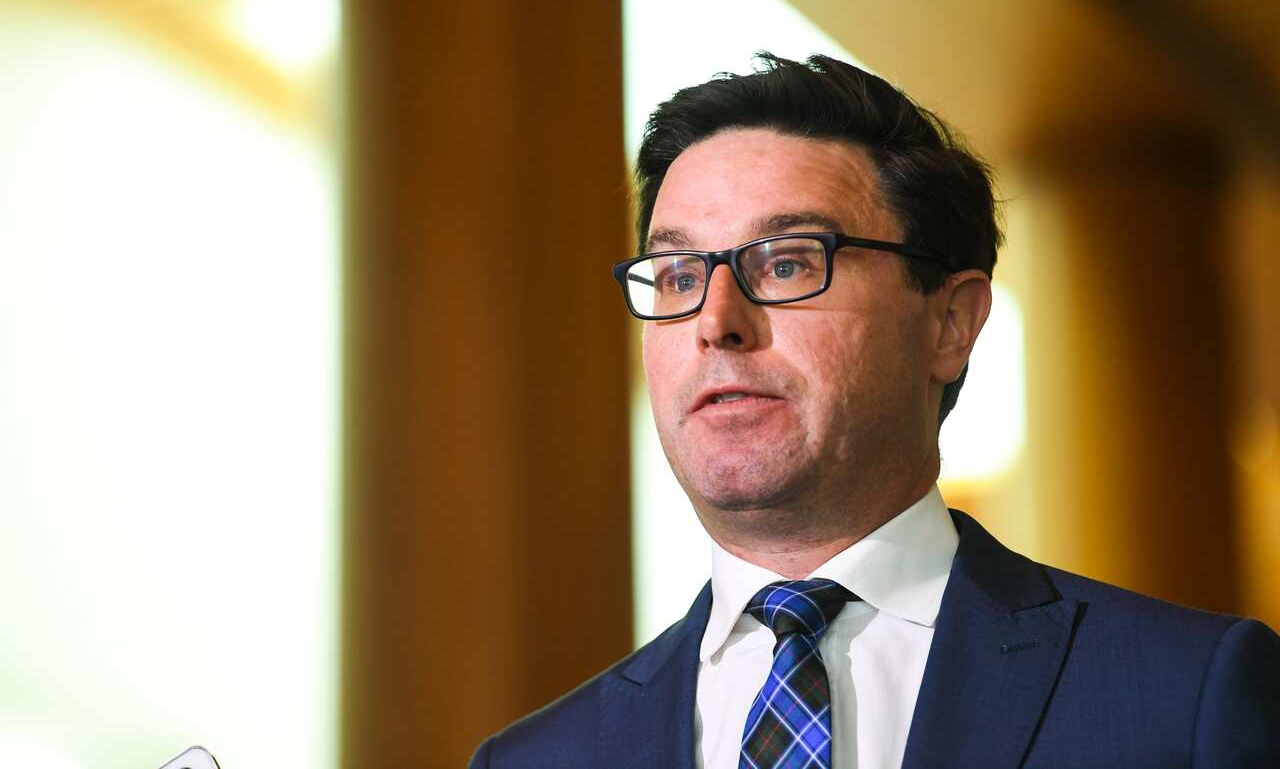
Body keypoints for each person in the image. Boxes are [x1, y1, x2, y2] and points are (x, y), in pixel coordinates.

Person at [469, 54, 1280, 768]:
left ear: (950, 323)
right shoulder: (536, 759)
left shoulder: (1187, 698)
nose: (716, 320)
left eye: (786, 262)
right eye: (679, 275)